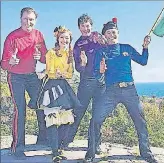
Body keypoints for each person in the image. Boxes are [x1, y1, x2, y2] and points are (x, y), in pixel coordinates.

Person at [88, 18, 158, 163]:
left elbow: (143, 61)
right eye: (108, 32)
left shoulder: (126, 48)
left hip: (129, 90)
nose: (112, 35)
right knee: (95, 119)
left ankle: (146, 153)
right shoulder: (101, 52)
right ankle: (90, 153)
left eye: (114, 32)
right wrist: (100, 71)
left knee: (140, 121)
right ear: (104, 36)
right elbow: (96, 72)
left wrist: (145, 47)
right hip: (110, 92)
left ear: (118, 33)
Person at [0, 7, 47, 159]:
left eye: (31, 19)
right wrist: (10, 62)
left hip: (32, 76)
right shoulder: (12, 37)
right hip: (15, 77)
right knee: (20, 110)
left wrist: (40, 56)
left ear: (35, 20)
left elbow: (45, 59)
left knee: (42, 103)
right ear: (21, 19)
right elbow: (4, 64)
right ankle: (18, 147)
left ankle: (43, 138)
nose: (28, 22)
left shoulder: (38, 35)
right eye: (26, 19)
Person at [62, 14, 106, 157]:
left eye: (87, 25)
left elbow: (109, 51)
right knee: (78, 111)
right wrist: (83, 63)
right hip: (86, 82)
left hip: (101, 81)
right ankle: (67, 139)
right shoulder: (78, 44)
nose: (85, 28)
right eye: (82, 26)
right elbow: (78, 68)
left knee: (97, 114)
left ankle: (95, 144)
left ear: (91, 26)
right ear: (79, 28)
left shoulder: (98, 38)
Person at [38, 25, 81, 163]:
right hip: (51, 86)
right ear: (58, 38)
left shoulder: (70, 55)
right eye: (62, 37)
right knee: (52, 120)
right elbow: (48, 71)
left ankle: (60, 147)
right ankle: (54, 151)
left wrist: (64, 74)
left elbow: (70, 73)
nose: (64, 40)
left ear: (70, 40)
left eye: (67, 38)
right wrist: (55, 73)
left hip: (64, 86)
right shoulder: (51, 53)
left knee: (67, 119)